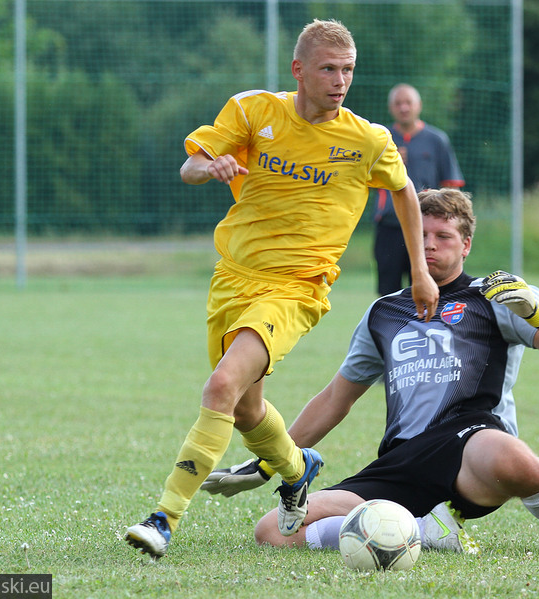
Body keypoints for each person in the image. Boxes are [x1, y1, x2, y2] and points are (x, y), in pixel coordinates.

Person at [206, 189, 539, 553]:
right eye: (420, 236)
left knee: (515, 459)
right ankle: (423, 529)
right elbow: (336, 399)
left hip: (471, 441)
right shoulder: (383, 313)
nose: (429, 246)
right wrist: (272, 461)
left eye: (443, 237)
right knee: (273, 530)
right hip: (402, 462)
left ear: (466, 244)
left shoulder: (496, 296)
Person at [124, 19, 439, 559]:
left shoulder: (367, 139)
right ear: (299, 70)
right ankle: (298, 470)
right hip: (233, 279)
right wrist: (210, 165)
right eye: (328, 69)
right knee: (245, 411)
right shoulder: (253, 110)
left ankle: (163, 518)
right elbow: (190, 166)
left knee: (221, 387)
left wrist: (421, 270)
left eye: (348, 70)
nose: (340, 80)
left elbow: (407, 193)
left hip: (297, 288)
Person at [374, 83, 464, 296]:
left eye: (408, 102)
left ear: (419, 105)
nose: (403, 108)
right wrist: (386, 165)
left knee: (431, 284)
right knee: (388, 293)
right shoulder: (380, 140)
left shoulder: (437, 140)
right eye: (398, 103)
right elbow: (363, 182)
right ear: (390, 108)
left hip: (427, 228)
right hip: (390, 226)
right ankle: (389, 329)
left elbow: (451, 184)